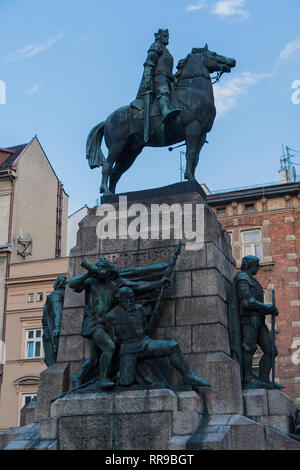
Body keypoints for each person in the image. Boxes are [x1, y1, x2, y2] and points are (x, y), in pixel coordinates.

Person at [69, 257, 170, 390]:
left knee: (96, 357)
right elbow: (72, 284)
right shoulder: (91, 282)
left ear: (110, 272)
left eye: (103, 268)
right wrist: (89, 272)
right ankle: (103, 378)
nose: (100, 270)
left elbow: (138, 286)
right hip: (93, 324)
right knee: (109, 347)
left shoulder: (116, 284)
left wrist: (158, 283)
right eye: (98, 267)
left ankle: (79, 377)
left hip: (108, 324)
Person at [105, 286, 211, 389]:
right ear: (120, 299)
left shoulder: (139, 309)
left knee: (173, 346)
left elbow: (145, 327)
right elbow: (114, 339)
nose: (131, 300)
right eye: (128, 298)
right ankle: (119, 375)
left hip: (145, 343)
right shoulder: (111, 316)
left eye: (132, 297)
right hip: (128, 349)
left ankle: (189, 376)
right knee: (126, 382)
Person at [236, 255, 283, 389]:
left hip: (259, 320)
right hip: (248, 319)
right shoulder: (242, 278)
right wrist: (266, 307)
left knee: (271, 351)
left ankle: (264, 380)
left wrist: (270, 310)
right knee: (249, 348)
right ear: (249, 264)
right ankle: (247, 379)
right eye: (256, 264)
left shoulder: (255, 282)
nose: (258, 266)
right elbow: (246, 302)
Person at [136, 28, 180, 123]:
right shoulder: (156, 46)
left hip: (169, 78)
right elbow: (149, 63)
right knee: (164, 91)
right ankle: (165, 111)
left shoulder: (166, 51)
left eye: (167, 36)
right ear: (159, 37)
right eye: (165, 36)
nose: (167, 38)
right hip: (159, 77)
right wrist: (147, 78)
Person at [42, 275, 67, 367]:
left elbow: (58, 311)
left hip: (51, 330)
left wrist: (57, 328)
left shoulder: (55, 295)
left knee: (51, 359)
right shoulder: (65, 295)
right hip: (52, 328)